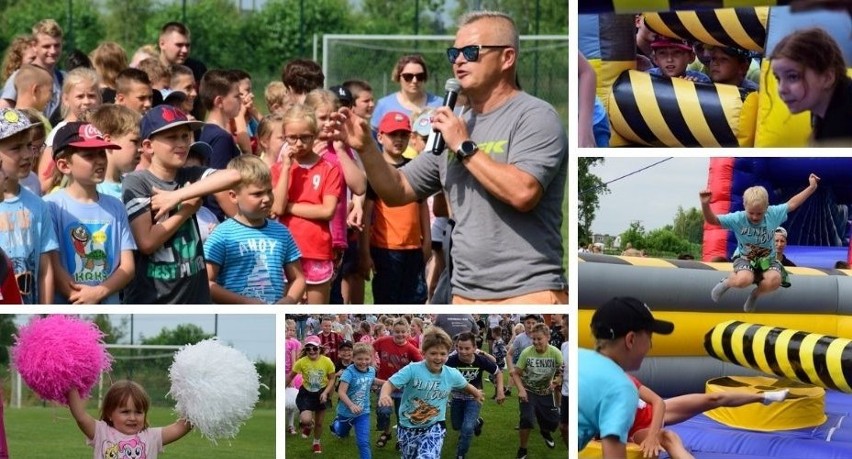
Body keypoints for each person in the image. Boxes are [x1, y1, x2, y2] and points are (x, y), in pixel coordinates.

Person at [334, 11, 567, 304]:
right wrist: (366, 146)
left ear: (507, 58)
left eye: (471, 52)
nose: (458, 60)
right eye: (454, 53)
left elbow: (523, 192)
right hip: (463, 292)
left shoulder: (535, 116)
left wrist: (464, 146)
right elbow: (397, 189)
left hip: (527, 291)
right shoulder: (456, 123)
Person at [121, 105, 241, 304]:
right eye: (172, 137)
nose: (182, 143)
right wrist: (186, 210)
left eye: (185, 136)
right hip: (154, 301)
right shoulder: (137, 181)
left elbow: (235, 175)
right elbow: (147, 243)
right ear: (149, 146)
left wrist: (177, 196)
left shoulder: (190, 174)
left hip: (196, 300)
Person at [44, 122, 136, 304]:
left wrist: (98, 293)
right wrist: (78, 297)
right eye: (89, 155)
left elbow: (128, 267)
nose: (100, 160)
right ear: (64, 165)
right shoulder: (51, 206)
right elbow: (52, 265)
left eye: (102, 153)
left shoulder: (116, 206)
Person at [702, 174, 819, 311]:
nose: (755, 217)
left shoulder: (773, 214)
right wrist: (705, 204)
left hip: (767, 259)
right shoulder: (738, 218)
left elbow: (792, 203)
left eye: (759, 213)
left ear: (767, 207)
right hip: (745, 257)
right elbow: (713, 220)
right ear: (744, 206)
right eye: (751, 213)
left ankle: (755, 295)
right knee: (744, 280)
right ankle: (727, 282)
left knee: (775, 280)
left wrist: (811, 187)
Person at [578, 297, 674, 456]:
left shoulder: (579, 356)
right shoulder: (621, 388)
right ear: (631, 340)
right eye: (649, 338)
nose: (650, 347)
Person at [203, 155, 305, 304]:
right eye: (257, 194)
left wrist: (289, 300)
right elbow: (207, 283)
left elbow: (298, 278)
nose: (267, 198)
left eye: (269, 191)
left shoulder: (282, 233)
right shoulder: (222, 234)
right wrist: (243, 302)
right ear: (233, 196)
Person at [271, 104, 342, 304]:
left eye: (305, 137)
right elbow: (276, 208)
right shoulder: (278, 169)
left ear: (315, 135)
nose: (299, 143)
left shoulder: (329, 169)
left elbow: (327, 211)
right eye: (292, 137)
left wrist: (290, 207)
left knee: (316, 308)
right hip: (285, 250)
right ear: (284, 136)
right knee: (285, 308)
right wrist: (286, 167)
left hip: (317, 250)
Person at [379, 326, 484, 459]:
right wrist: (384, 394)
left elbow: (465, 385)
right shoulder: (412, 370)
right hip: (407, 426)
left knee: (428, 456)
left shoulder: (451, 374)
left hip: (434, 426)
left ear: (448, 354)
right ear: (423, 353)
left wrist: (477, 393)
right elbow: (389, 384)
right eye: (433, 353)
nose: (438, 358)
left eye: (443, 354)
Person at [628, 375, 788, 459]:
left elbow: (658, 403)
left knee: (713, 399)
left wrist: (653, 435)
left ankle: (763, 397)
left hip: (654, 412)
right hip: (635, 430)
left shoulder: (622, 379)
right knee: (669, 437)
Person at [361, 111, 429, 304]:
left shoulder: (415, 167)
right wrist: (365, 253)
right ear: (380, 137)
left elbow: (422, 205)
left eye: (403, 134)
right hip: (386, 249)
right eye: (393, 134)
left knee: (416, 299)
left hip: (414, 248)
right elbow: (367, 214)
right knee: (387, 299)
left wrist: (427, 242)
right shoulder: (376, 172)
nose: (399, 139)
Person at [0, 108, 58, 304]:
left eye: (28, 146)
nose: (27, 154)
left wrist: (46, 315)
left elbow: (45, 270)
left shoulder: (38, 206)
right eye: (16, 148)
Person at [67, 380, 192, 459]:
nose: (132, 418)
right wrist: (70, 379)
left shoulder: (152, 436)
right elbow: (80, 416)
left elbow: (181, 427)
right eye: (125, 412)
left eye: (138, 412)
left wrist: (197, 398)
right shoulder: (101, 432)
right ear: (110, 413)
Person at [769, 27, 852, 146]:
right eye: (778, 78)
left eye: (793, 77)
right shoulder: (823, 107)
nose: (781, 89)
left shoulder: (842, 125)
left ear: (827, 77)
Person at [37, 67, 101, 194]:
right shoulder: (60, 133)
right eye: (80, 96)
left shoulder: (98, 130)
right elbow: (43, 183)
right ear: (66, 99)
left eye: (92, 96)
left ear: (100, 98)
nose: (87, 101)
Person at [447, 331, 505, 458]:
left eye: (467, 348)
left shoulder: (481, 360)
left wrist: (500, 391)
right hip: (456, 397)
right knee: (457, 426)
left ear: (474, 348)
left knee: (467, 429)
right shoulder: (451, 360)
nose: (463, 351)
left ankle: (460, 454)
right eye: (459, 348)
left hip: (474, 398)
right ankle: (477, 422)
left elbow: (498, 372)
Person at [512, 323, 563, 458]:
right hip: (528, 390)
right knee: (526, 419)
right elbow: (516, 373)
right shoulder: (527, 352)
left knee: (553, 422)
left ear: (548, 337)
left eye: (539, 339)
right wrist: (521, 390)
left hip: (546, 392)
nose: (535, 342)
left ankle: (545, 432)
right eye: (533, 339)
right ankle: (523, 449)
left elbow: (562, 370)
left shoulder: (555, 353)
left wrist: (557, 380)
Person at [199, 69, 244, 222]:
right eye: (237, 96)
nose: (241, 101)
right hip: (218, 218)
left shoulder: (206, 131)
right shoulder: (220, 138)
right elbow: (220, 189)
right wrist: (244, 223)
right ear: (219, 102)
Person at [0, 20, 65, 122]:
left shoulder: (64, 78)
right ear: (34, 46)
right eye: (46, 46)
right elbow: (3, 115)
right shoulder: (21, 76)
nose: (53, 51)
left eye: (57, 45)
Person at [373, 317, 422, 449]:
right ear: (392, 331)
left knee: (402, 414)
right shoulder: (383, 341)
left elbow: (421, 365)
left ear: (408, 332)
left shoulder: (411, 348)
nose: (400, 334)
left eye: (403, 331)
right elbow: (370, 348)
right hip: (384, 385)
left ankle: (401, 437)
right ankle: (386, 432)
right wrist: (372, 362)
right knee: (383, 411)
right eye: (397, 331)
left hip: (403, 388)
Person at [330, 342, 386, 459]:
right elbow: (341, 392)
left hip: (363, 412)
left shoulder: (371, 370)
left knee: (363, 442)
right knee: (341, 433)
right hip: (346, 412)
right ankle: (336, 424)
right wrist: (351, 405)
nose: (363, 362)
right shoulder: (349, 372)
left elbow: (372, 380)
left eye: (367, 359)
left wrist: (387, 383)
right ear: (353, 358)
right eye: (359, 359)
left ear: (371, 358)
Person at [285, 335, 337, 455]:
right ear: (305, 350)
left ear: (319, 348)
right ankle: (309, 424)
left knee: (319, 423)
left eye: (314, 348)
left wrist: (325, 393)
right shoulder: (301, 362)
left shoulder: (327, 361)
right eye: (308, 348)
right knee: (305, 419)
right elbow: (291, 376)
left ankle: (316, 442)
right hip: (306, 394)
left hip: (321, 393)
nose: (312, 351)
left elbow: (332, 379)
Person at [370, 54, 441, 134]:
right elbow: (374, 136)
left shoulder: (440, 104)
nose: (414, 81)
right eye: (408, 76)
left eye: (420, 76)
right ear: (398, 77)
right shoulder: (384, 105)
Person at [88, 104, 142, 200]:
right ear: (107, 141)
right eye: (135, 142)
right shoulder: (92, 190)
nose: (141, 149)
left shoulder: (134, 187)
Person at [158, 22, 207, 119]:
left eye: (187, 45)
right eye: (179, 45)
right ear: (162, 44)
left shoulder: (197, 68)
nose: (184, 50)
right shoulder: (150, 71)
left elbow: (202, 105)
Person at [648, 36, 712, 84]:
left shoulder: (701, 80)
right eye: (662, 53)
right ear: (655, 59)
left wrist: (696, 89)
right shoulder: (647, 78)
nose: (669, 59)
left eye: (677, 52)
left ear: (691, 57)